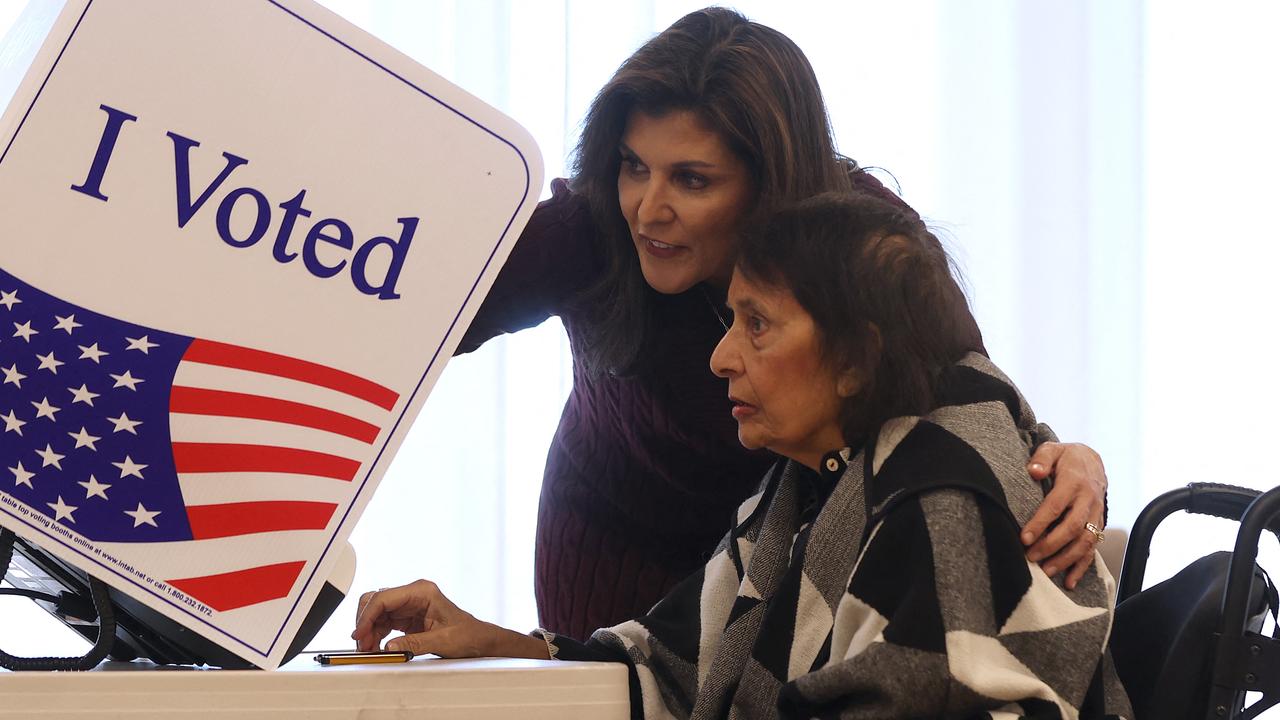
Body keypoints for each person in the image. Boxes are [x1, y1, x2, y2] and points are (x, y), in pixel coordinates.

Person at [457, 7, 1108, 640]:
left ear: (767, 183)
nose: (647, 209)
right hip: (614, 542)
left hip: (788, 555)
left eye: (691, 179)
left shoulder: (862, 242)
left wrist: (1064, 458)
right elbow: (416, 319)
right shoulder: (592, 225)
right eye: (633, 165)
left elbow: (959, 391)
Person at [355, 192, 1133, 719]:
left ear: (857, 358)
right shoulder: (816, 481)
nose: (722, 357)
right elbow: (673, 665)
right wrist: (500, 644)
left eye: (756, 325)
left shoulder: (939, 508)